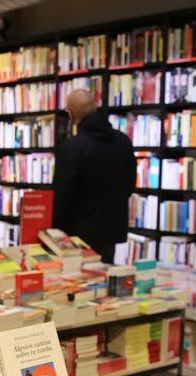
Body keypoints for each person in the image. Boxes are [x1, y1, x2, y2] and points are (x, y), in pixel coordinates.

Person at [52, 89, 136, 263]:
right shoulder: (124, 142)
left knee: (79, 284)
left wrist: (54, 230)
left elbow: (62, 195)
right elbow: (129, 186)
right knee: (102, 282)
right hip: (111, 231)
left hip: (77, 236)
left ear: (71, 114)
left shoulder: (72, 147)